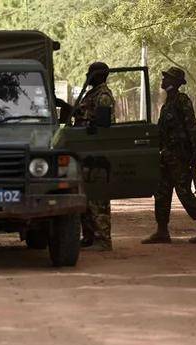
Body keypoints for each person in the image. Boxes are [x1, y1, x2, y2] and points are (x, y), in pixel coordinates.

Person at [142, 67, 196, 244]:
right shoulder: (168, 103)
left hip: (180, 156)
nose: (163, 80)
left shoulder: (181, 100)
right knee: (161, 192)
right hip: (166, 156)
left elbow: (192, 127)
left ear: (174, 82)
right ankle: (162, 231)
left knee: (184, 193)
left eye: (166, 78)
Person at [72, 61, 116, 251]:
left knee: (98, 198)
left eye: (90, 74)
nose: (87, 77)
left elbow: (103, 124)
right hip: (85, 149)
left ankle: (103, 239)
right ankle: (89, 236)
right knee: (86, 197)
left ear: (98, 75)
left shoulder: (103, 95)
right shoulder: (93, 93)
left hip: (96, 150)